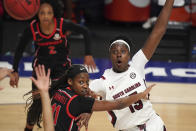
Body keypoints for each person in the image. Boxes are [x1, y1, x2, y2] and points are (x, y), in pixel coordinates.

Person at [9, 0, 96, 130]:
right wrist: (15, 70)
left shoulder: (62, 25)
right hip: (41, 70)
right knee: (36, 105)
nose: (45, 16)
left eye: (49, 13)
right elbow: (20, 48)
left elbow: (85, 31)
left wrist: (88, 54)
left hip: (62, 69)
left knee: (63, 100)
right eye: (42, 13)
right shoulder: (33, 28)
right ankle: (28, 128)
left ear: (54, 13)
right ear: (37, 14)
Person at [89, 0, 174, 130]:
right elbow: (80, 96)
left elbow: (159, 31)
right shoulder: (103, 82)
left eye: (123, 51)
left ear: (129, 55)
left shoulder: (137, 64)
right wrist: (86, 111)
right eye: (114, 52)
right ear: (110, 56)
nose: (118, 54)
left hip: (153, 125)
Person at [31, 64, 154, 131]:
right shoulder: (78, 102)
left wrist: (44, 93)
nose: (85, 86)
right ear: (70, 81)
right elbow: (118, 104)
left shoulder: (60, 91)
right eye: (81, 82)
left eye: (87, 82)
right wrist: (140, 95)